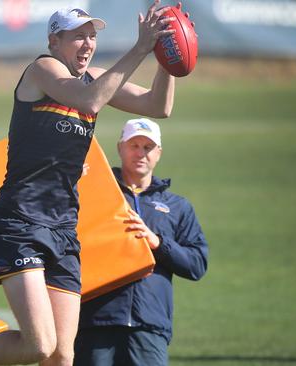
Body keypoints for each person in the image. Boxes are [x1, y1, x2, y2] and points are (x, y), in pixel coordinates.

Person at [0, 2, 181, 365]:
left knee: (62, 356)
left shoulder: (94, 77)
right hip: (18, 224)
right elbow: (90, 99)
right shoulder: (42, 70)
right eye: (78, 36)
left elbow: (158, 105)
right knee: (38, 346)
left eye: (92, 36)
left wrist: (167, 57)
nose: (87, 44)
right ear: (54, 40)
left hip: (64, 230)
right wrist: (140, 48)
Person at [73, 118, 209, 366]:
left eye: (148, 147)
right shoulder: (93, 191)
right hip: (96, 321)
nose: (140, 153)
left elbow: (197, 265)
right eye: (133, 145)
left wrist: (157, 242)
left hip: (150, 326)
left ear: (159, 153)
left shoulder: (178, 207)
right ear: (120, 148)